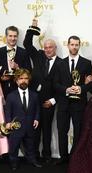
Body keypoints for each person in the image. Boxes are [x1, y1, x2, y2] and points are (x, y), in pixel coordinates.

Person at [23, 19, 63, 162]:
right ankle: (33, 155)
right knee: (34, 129)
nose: (47, 50)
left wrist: (53, 101)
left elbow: (63, 86)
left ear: (55, 48)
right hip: (33, 100)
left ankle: (46, 155)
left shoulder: (61, 63)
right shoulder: (38, 55)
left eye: (50, 47)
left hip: (48, 102)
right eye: (45, 47)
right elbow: (27, 44)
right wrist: (33, 28)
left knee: (46, 130)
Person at [53, 35, 92, 164]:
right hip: (64, 103)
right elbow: (55, 84)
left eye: (77, 45)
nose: (74, 47)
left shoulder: (86, 63)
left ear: (79, 46)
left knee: (78, 131)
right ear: (68, 45)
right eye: (72, 44)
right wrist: (66, 89)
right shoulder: (60, 63)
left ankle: (75, 157)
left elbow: (91, 84)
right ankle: (63, 157)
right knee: (62, 131)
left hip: (79, 104)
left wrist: (81, 88)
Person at [5, 68, 41, 170]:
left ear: (29, 80)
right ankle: (13, 162)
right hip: (16, 126)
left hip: (30, 125)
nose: (23, 81)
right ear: (16, 80)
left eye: (26, 78)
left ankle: (33, 160)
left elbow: (37, 108)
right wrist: (8, 122)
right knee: (14, 146)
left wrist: (37, 119)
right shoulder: (11, 96)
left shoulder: (34, 95)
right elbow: (7, 111)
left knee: (30, 145)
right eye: (21, 78)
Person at [0, 26, 32, 96]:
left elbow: (29, 71)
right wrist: (1, 78)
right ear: (6, 37)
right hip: (1, 90)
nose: (13, 38)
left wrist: (18, 68)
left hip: (19, 90)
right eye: (10, 36)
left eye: (15, 36)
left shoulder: (24, 52)